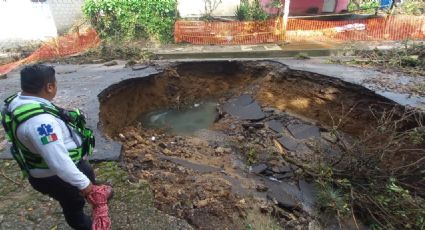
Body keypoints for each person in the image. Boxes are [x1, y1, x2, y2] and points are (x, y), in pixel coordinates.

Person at [0, 64, 112, 230]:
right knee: (73, 206)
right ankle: (85, 224)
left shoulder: (19, 100)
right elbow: (59, 163)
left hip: (59, 168)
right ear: (50, 87)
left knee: (84, 179)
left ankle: (90, 191)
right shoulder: (41, 123)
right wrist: (85, 186)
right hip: (55, 177)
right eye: (55, 83)